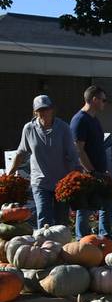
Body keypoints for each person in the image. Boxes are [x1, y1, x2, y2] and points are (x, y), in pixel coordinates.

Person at [8, 95, 80, 227]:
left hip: (61, 182)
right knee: (43, 217)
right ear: (35, 112)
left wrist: (75, 174)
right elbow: (21, 152)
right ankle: (44, 247)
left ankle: (61, 247)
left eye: (46, 109)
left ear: (52, 109)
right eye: (40, 110)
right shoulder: (29, 128)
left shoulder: (63, 128)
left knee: (61, 221)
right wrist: (11, 172)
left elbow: (72, 154)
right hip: (40, 181)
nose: (44, 112)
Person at [70, 85, 112, 240]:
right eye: (103, 100)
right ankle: (82, 240)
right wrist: (91, 171)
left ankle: (105, 238)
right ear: (94, 99)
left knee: (107, 204)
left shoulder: (94, 120)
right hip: (88, 173)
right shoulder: (80, 120)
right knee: (85, 207)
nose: (105, 103)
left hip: (100, 172)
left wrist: (103, 171)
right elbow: (78, 150)